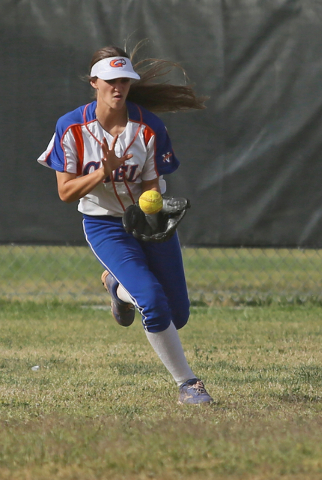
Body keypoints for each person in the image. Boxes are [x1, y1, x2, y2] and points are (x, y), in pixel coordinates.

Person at [37, 44, 213, 405]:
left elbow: (151, 183)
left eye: (125, 81)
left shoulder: (148, 126)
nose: (118, 87)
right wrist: (104, 171)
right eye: (111, 80)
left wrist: (152, 208)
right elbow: (66, 193)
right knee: (152, 301)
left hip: (147, 221)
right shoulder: (71, 127)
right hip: (104, 225)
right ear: (94, 82)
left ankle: (116, 286)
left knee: (176, 314)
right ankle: (188, 385)